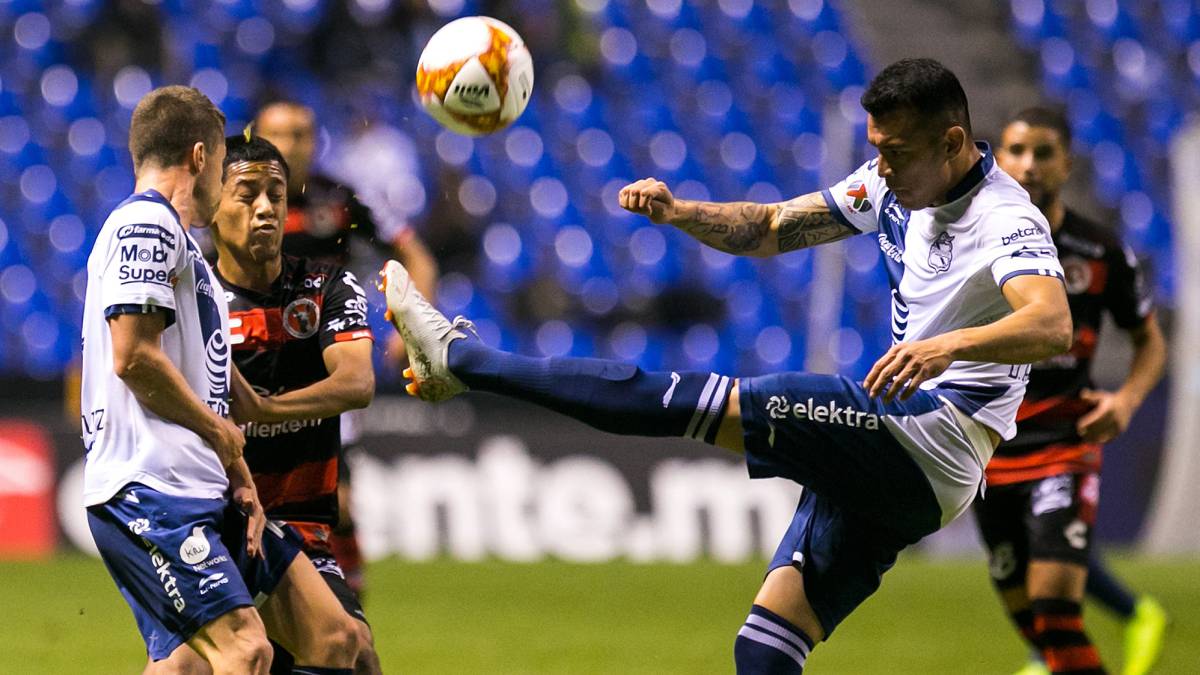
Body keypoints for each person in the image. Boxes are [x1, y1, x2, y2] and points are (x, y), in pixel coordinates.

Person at [381, 58, 1073, 673]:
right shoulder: (889, 187)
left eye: (895, 152)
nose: (883, 167)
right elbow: (771, 227)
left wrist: (945, 346)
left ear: (952, 142)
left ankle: (465, 359)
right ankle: (461, 362)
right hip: (902, 462)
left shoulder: (1006, 219)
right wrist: (681, 213)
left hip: (933, 433)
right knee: (767, 645)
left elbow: (1051, 322)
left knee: (684, 399)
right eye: (877, 151)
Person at [80, 86, 359, 674]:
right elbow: (133, 358)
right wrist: (220, 431)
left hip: (202, 487)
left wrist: (239, 476)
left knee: (336, 638)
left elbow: (206, 376)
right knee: (244, 651)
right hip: (151, 490)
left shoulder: (185, 252)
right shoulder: (145, 225)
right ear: (202, 158)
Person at [977, 106, 1169, 675]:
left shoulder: (1100, 252)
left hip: (1065, 441)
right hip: (986, 449)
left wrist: (1128, 400)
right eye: (1015, 151)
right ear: (998, 159)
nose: (1027, 165)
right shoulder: (972, 241)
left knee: (1055, 603)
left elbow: (1150, 341)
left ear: (1067, 164)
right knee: (1036, 627)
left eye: (1042, 153)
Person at [210, 134, 383, 674]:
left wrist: (262, 410)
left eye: (276, 194)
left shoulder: (325, 284)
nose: (265, 208)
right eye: (247, 194)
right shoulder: (195, 301)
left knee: (355, 650)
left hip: (302, 521)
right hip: (216, 518)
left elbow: (356, 382)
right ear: (211, 203)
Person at [255, 100, 439, 597]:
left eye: (301, 134)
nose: (291, 145)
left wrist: (410, 326)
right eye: (280, 134)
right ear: (258, 137)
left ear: (315, 141)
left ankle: (348, 598)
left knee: (338, 501)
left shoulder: (339, 201)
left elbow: (415, 256)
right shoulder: (235, 201)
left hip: (323, 376)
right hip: (251, 374)